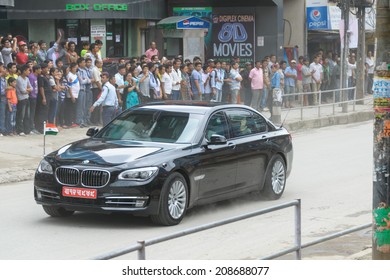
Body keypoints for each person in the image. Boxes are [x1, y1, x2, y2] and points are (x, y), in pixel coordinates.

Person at [15, 64, 32, 136]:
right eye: (28, 70)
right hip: (21, 99)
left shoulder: (27, 79)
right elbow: (22, 91)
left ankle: (27, 130)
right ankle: (20, 130)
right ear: (24, 71)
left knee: (27, 115)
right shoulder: (19, 79)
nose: (29, 72)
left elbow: (31, 88)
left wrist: (27, 90)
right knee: (21, 115)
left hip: (27, 98)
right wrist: (28, 90)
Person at [65, 62, 80, 127]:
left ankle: (71, 122)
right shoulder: (69, 75)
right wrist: (71, 96)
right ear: (71, 68)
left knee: (73, 109)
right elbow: (69, 86)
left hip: (76, 94)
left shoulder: (75, 75)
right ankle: (68, 123)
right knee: (69, 110)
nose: (76, 68)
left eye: (76, 67)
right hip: (71, 95)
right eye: (74, 67)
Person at [28, 65, 41, 134]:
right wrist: (31, 95)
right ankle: (30, 128)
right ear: (36, 70)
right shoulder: (31, 77)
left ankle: (32, 127)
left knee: (33, 113)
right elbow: (30, 87)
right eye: (39, 69)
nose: (40, 70)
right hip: (32, 97)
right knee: (31, 113)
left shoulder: (36, 77)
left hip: (35, 97)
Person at [0, 62, 6, 136]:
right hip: (1, 97)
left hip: (3, 98)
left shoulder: (3, 77)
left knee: (2, 114)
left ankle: (2, 129)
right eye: (1, 67)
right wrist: (6, 89)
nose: (3, 69)